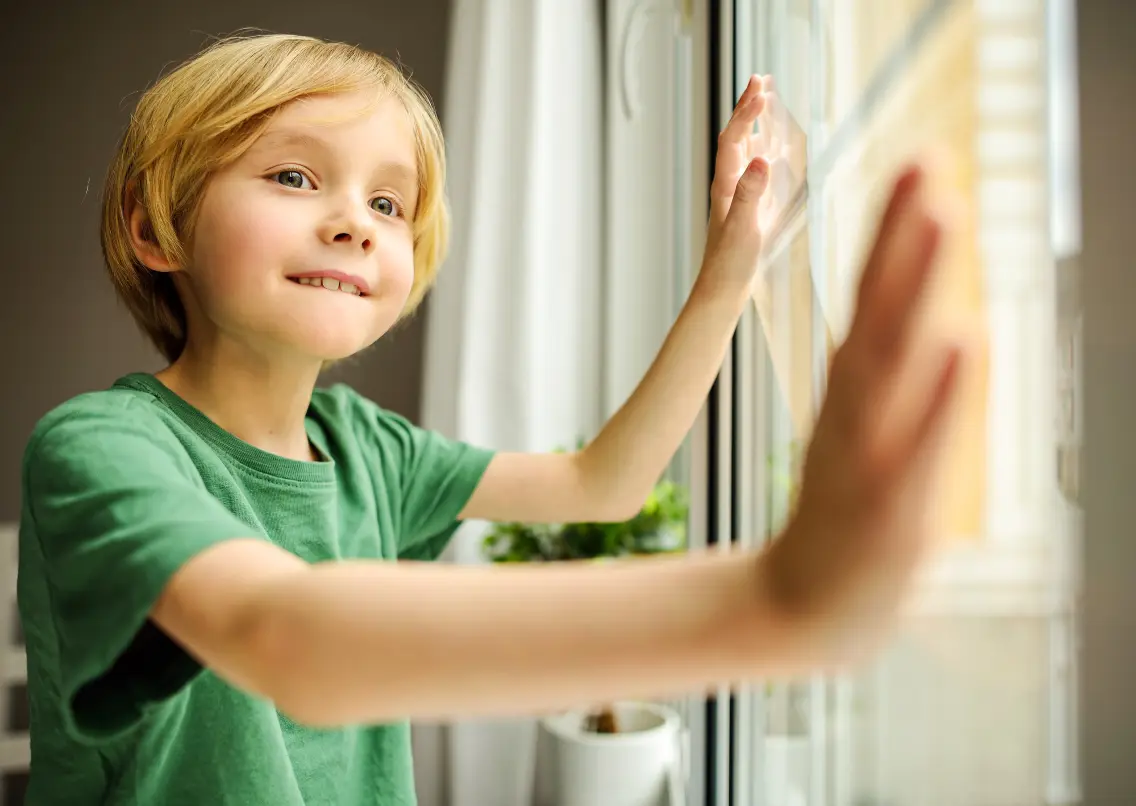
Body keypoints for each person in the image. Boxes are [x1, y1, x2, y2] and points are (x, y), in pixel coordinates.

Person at [17, 32, 967, 806]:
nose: (355, 221)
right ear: (155, 229)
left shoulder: (369, 450)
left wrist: (731, 270)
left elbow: (605, 483)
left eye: (388, 202)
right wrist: (778, 599)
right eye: (296, 179)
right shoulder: (100, 448)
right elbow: (286, 639)